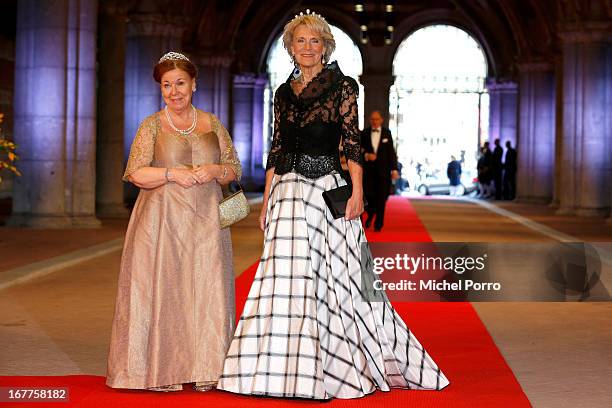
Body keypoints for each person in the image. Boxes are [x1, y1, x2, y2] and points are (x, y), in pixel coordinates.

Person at [217, 10, 448, 400]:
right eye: (300, 41)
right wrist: (268, 199)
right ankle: (276, 370)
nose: (307, 48)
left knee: (337, 278)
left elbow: (352, 143)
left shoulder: (342, 87)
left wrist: (358, 192)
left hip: (326, 190)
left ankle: (340, 362)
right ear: (290, 47)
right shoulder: (282, 93)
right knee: (283, 278)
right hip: (288, 193)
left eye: (315, 41)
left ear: (326, 46)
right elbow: (278, 148)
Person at [106, 52, 241, 392]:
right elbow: (135, 172)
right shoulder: (151, 125)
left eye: (180, 83)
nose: (174, 91)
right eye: (167, 85)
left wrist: (214, 171)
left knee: (206, 288)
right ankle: (161, 369)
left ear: (194, 84)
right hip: (160, 222)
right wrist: (170, 173)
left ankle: (208, 365)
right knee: (164, 290)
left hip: (206, 220)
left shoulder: (213, 123)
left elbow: (234, 169)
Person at [361, 111, 399, 231]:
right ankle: (371, 212)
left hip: (383, 171)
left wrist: (394, 169)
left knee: (382, 198)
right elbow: (358, 151)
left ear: (381, 120)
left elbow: (391, 153)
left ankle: (379, 224)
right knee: (368, 196)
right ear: (369, 120)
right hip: (368, 172)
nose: (375, 121)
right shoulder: (365, 133)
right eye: (372, 119)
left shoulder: (387, 133)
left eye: (377, 119)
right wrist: (366, 155)